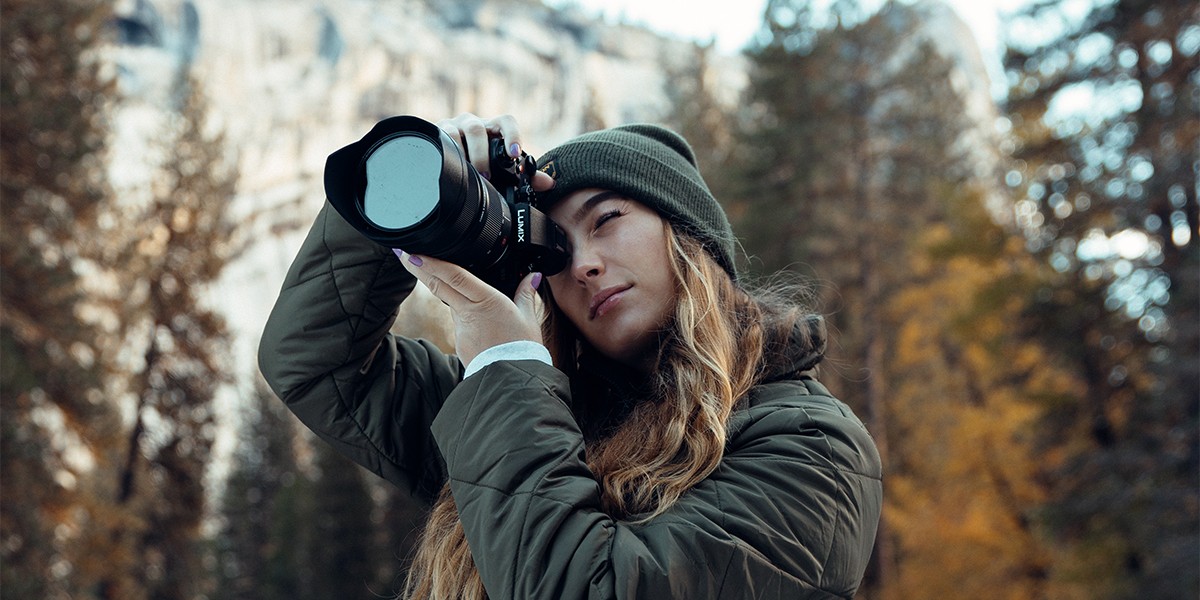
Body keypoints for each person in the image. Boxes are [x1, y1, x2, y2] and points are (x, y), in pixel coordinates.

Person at [258, 113, 882, 600]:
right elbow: (315, 363)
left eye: (607, 219)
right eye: (556, 248)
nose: (582, 263)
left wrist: (507, 369)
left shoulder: (816, 448)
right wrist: (410, 201)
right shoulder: (544, 420)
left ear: (690, 237)